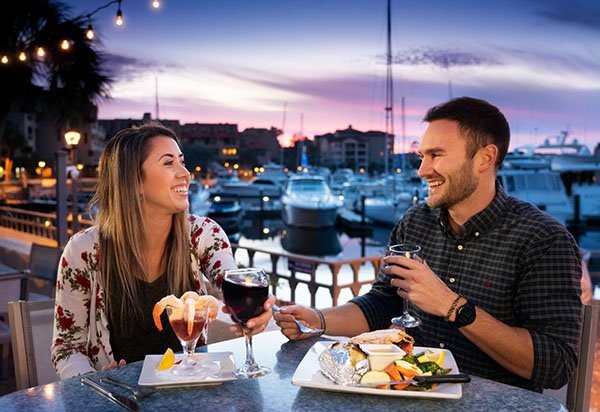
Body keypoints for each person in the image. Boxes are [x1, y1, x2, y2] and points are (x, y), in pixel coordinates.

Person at [274, 97, 582, 392]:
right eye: (423, 156)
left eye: (436, 155)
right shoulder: (415, 222)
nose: (422, 170)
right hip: (408, 394)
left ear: (485, 158)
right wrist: (319, 320)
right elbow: (385, 303)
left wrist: (453, 307)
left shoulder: (543, 240)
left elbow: (556, 365)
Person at [52, 122, 274, 378]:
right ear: (133, 182)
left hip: (192, 392)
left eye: (182, 161)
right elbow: (67, 349)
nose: (186, 174)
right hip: (122, 398)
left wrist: (255, 310)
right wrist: (97, 382)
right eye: (169, 163)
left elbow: (230, 282)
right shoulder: (84, 251)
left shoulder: (204, 234)